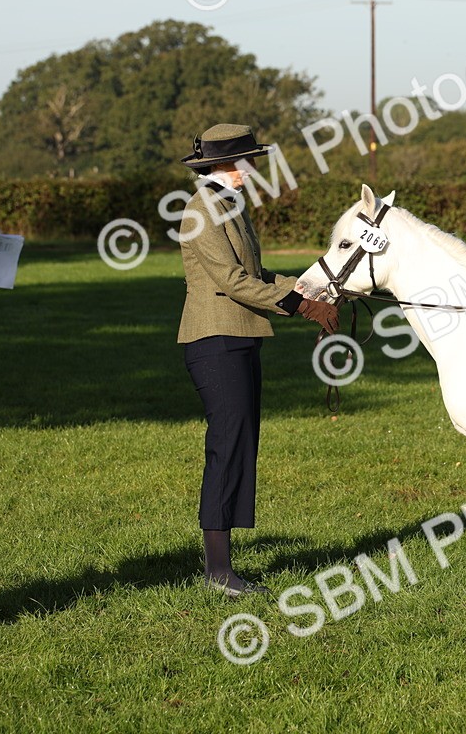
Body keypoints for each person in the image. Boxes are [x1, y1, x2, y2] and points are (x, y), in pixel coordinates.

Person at [177, 124, 340, 597]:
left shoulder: (229, 206)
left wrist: (311, 288)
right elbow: (231, 281)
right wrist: (302, 306)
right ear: (223, 166)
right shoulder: (200, 209)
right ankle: (218, 571)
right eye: (246, 162)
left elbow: (258, 273)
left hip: (241, 336)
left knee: (241, 444)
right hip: (214, 338)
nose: (252, 170)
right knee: (227, 445)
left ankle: (220, 564)